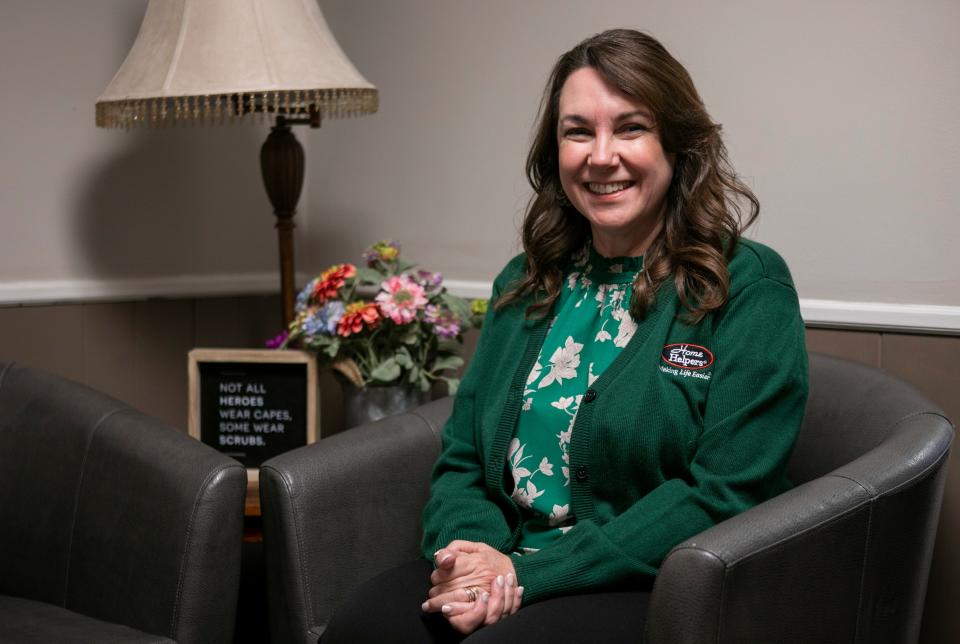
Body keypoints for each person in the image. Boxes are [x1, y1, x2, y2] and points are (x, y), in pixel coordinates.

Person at [321, 28, 807, 643]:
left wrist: (528, 578)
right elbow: (465, 461)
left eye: (631, 127)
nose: (601, 156)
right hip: (506, 560)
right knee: (361, 626)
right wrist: (471, 558)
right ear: (555, 152)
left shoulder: (747, 288)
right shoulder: (524, 284)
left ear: (678, 146)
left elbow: (726, 493)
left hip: (648, 582)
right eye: (579, 131)